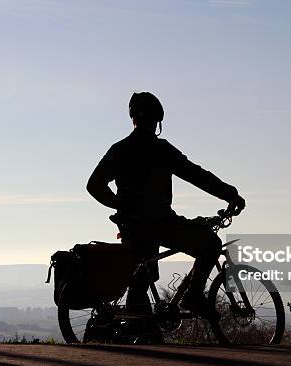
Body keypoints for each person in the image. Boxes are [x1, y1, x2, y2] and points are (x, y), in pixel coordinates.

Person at [87, 92, 245, 320]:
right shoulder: (161, 149)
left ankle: (141, 333)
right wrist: (230, 194)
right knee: (210, 244)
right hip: (160, 222)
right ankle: (194, 296)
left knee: (142, 276)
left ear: (133, 118)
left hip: (133, 225)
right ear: (157, 121)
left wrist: (119, 205)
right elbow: (197, 175)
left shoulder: (120, 150)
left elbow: (94, 185)